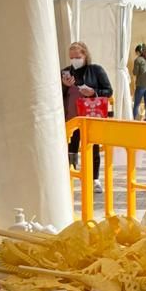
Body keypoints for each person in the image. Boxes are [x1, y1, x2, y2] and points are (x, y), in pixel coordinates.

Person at [61, 41, 112, 188]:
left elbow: (108, 91)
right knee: (71, 146)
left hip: (91, 115)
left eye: (77, 56)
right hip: (71, 116)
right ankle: (71, 176)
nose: (74, 60)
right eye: (71, 57)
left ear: (85, 55)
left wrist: (93, 92)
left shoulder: (96, 70)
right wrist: (65, 85)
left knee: (92, 146)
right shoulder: (65, 72)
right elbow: (56, 95)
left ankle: (94, 178)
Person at [132, 44, 146, 120]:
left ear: (139, 52)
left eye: (136, 52)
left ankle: (134, 119)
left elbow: (135, 72)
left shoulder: (138, 60)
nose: (136, 54)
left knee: (136, 104)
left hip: (141, 85)